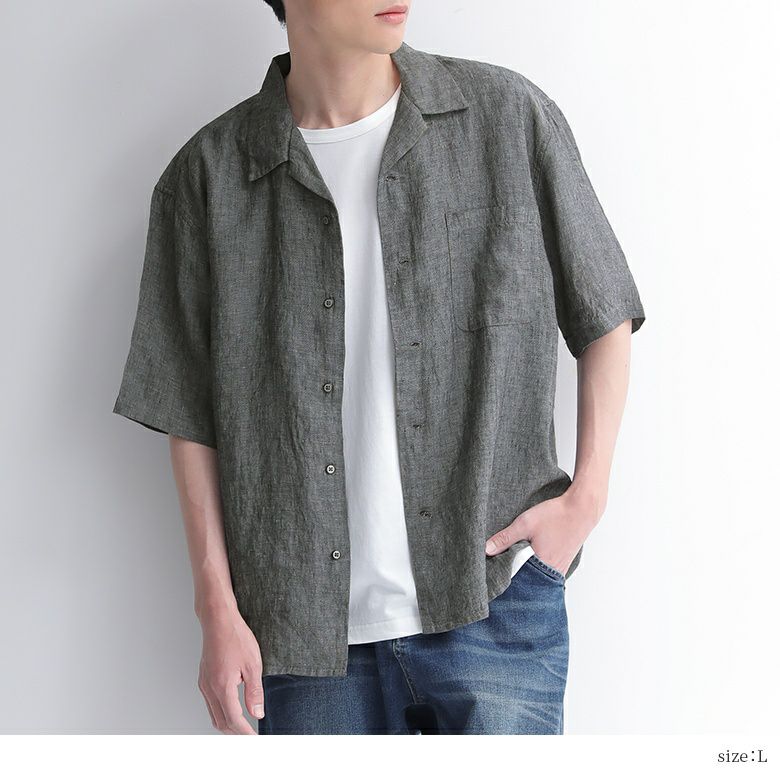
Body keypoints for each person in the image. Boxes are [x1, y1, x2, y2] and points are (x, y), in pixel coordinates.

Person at [112, 0, 645, 735]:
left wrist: (586, 500)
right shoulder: (208, 177)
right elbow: (188, 410)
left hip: (493, 599)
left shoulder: (506, 117)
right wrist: (216, 608)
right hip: (299, 637)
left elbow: (604, 311)